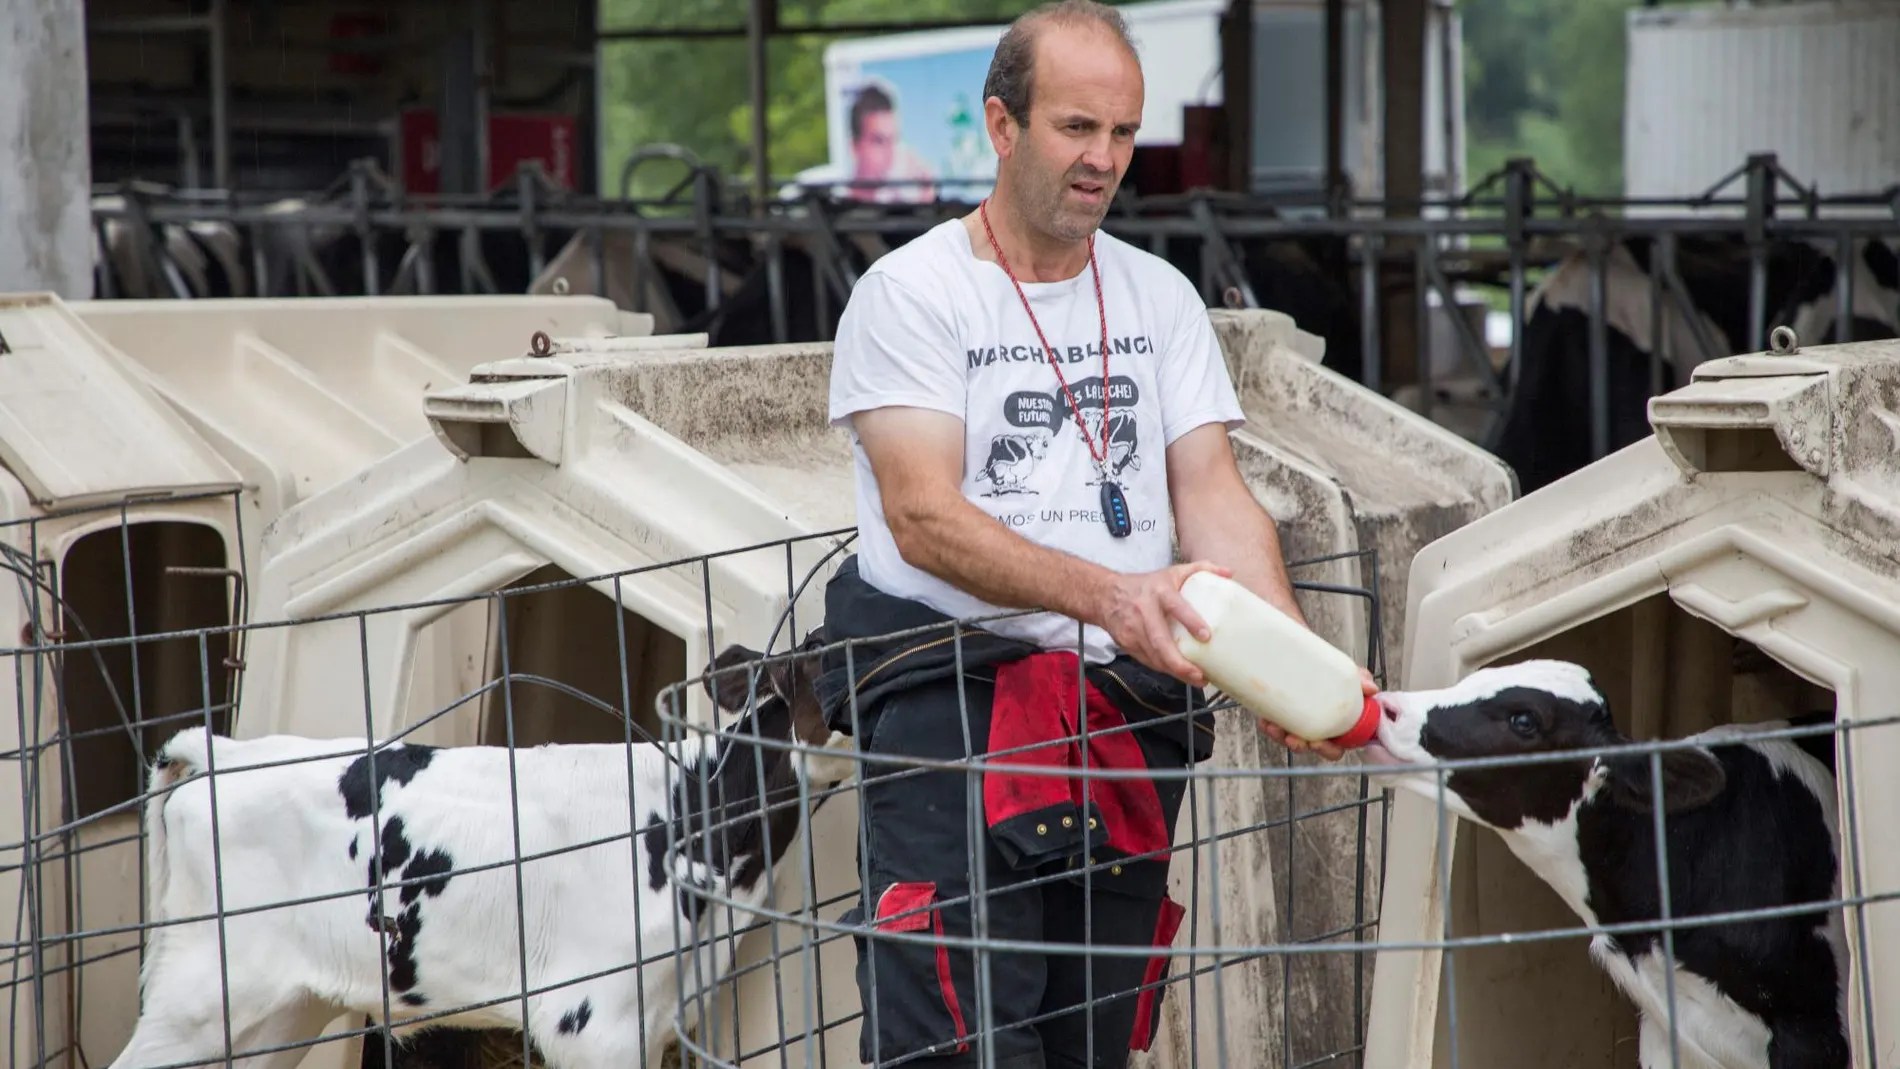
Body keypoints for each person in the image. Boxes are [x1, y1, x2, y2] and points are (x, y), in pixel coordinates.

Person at [814, 3, 1379, 1067]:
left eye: (1122, 134)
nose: (1104, 160)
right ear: (1001, 124)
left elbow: (1211, 495)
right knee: (960, 1027)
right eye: (1077, 128)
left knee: (1099, 1027)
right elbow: (922, 517)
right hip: (954, 699)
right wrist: (1113, 596)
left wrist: (1295, 662)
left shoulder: (1159, 299)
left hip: (1121, 707)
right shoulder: (914, 295)